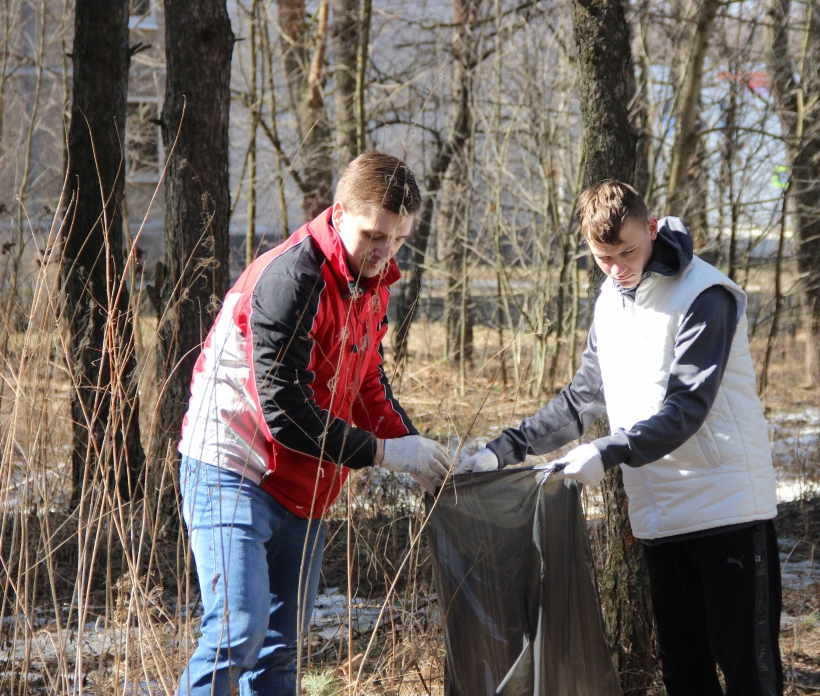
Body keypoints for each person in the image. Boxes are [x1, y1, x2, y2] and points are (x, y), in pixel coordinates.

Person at [457, 180, 783, 696]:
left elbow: (686, 409)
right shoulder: (610, 303)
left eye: (628, 251)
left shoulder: (705, 294)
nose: (617, 267)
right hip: (659, 518)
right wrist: (501, 450)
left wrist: (608, 451)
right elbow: (579, 401)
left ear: (652, 229)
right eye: (602, 256)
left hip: (729, 513)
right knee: (684, 672)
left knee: (747, 670)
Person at [176, 151, 451, 696]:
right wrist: (385, 454)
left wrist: (417, 449)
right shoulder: (292, 277)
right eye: (375, 235)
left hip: (304, 486)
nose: (385, 251)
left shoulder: (370, 285)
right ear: (340, 211)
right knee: (239, 631)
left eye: (398, 240)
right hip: (233, 469)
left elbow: (365, 384)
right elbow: (285, 413)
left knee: (281, 653)